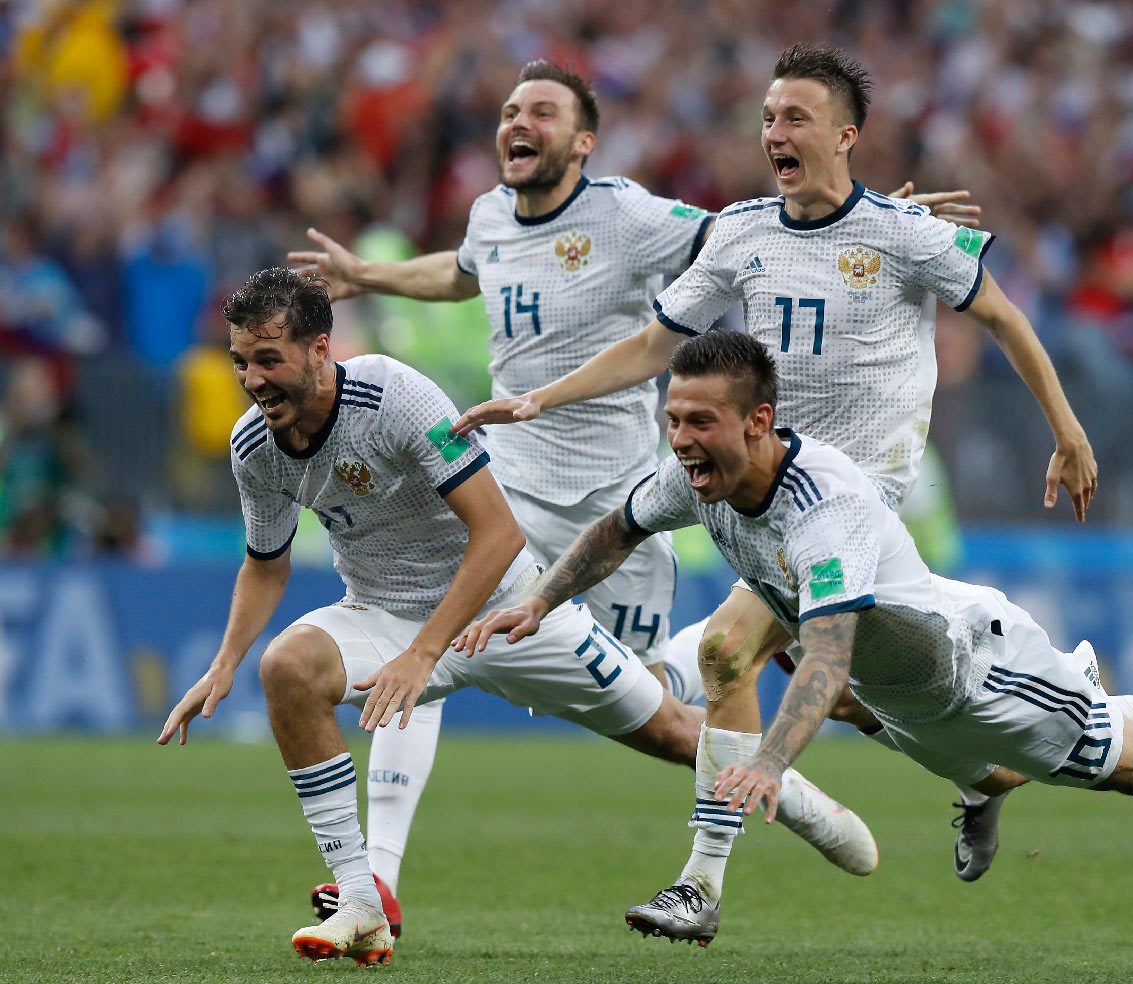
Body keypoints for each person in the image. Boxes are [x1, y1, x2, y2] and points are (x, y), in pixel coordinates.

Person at [286, 60, 977, 916]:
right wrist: (374, 276)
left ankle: (815, 745)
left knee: (655, 699)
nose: (516, 122)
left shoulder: (631, 214)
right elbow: (469, 272)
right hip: (512, 492)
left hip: (613, 507)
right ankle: (377, 880)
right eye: (508, 109)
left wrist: (873, 223)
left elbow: (756, 234)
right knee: (431, 643)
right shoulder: (490, 215)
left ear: (583, 141)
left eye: (540, 111)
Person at [450, 43, 1095, 893]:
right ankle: (983, 777)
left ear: (845, 134)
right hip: (765, 481)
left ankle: (700, 883)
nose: (774, 133)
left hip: (852, 492)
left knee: (727, 650)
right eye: (766, 118)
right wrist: (542, 399)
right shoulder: (744, 230)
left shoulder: (904, 236)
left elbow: (1006, 319)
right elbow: (655, 344)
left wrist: (1068, 430)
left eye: (794, 118)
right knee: (857, 683)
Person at [458, 329, 1133, 945]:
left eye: (700, 423)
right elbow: (621, 525)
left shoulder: (827, 510)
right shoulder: (697, 475)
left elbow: (830, 651)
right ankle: (982, 789)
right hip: (901, 692)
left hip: (978, 664)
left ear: (759, 423)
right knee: (886, 714)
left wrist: (768, 763)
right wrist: (538, 602)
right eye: (674, 421)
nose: (682, 441)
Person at [156, 269, 876, 965]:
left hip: (506, 610)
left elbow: (497, 534)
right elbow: (266, 561)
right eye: (241, 362)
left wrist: (426, 653)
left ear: (320, 349)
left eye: (268, 360)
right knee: (288, 667)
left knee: (668, 727)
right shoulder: (255, 445)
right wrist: (224, 665)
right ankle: (361, 903)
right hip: (382, 615)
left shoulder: (394, 396)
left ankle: (797, 797)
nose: (252, 381)